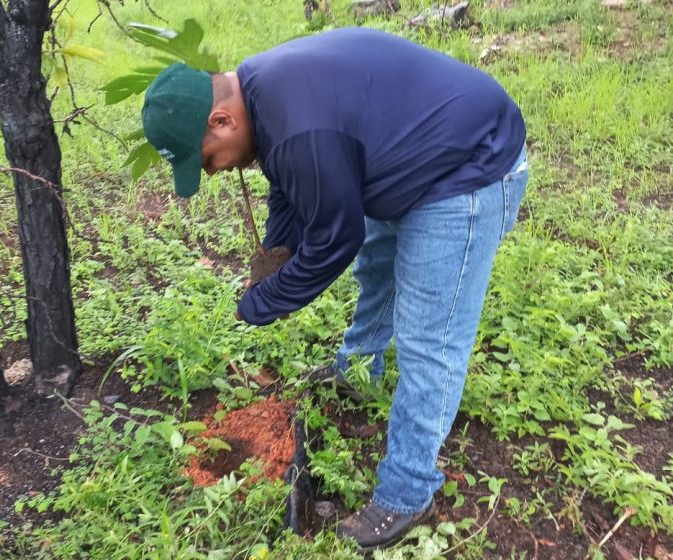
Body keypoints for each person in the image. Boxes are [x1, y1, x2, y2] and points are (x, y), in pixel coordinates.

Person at [140, 27, 528, 552]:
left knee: (428, 342)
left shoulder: (298, 125)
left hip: (467, 166)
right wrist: (274, 256)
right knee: (379, 266)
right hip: (411, 152)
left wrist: (265, 302)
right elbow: (290, 185)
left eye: (206, 158)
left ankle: (409, 491)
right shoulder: (260, 89)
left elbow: (334, 240)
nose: (211, 171)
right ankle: (357, 370)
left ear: (222, 120)